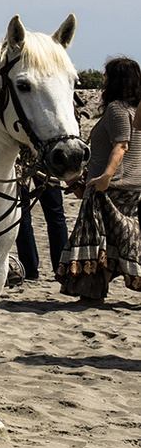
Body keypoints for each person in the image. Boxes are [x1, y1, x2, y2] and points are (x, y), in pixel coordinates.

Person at [58, 57, 141, 301]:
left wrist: (105, 176)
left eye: (106, 76)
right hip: (131, 187)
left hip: (112, 189)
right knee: (117, 244)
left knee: (99, 243)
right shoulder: (134, 110)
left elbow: (121, 146)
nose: (103, 80)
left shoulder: (117, 108)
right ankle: (93, 293)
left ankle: (92, 294)